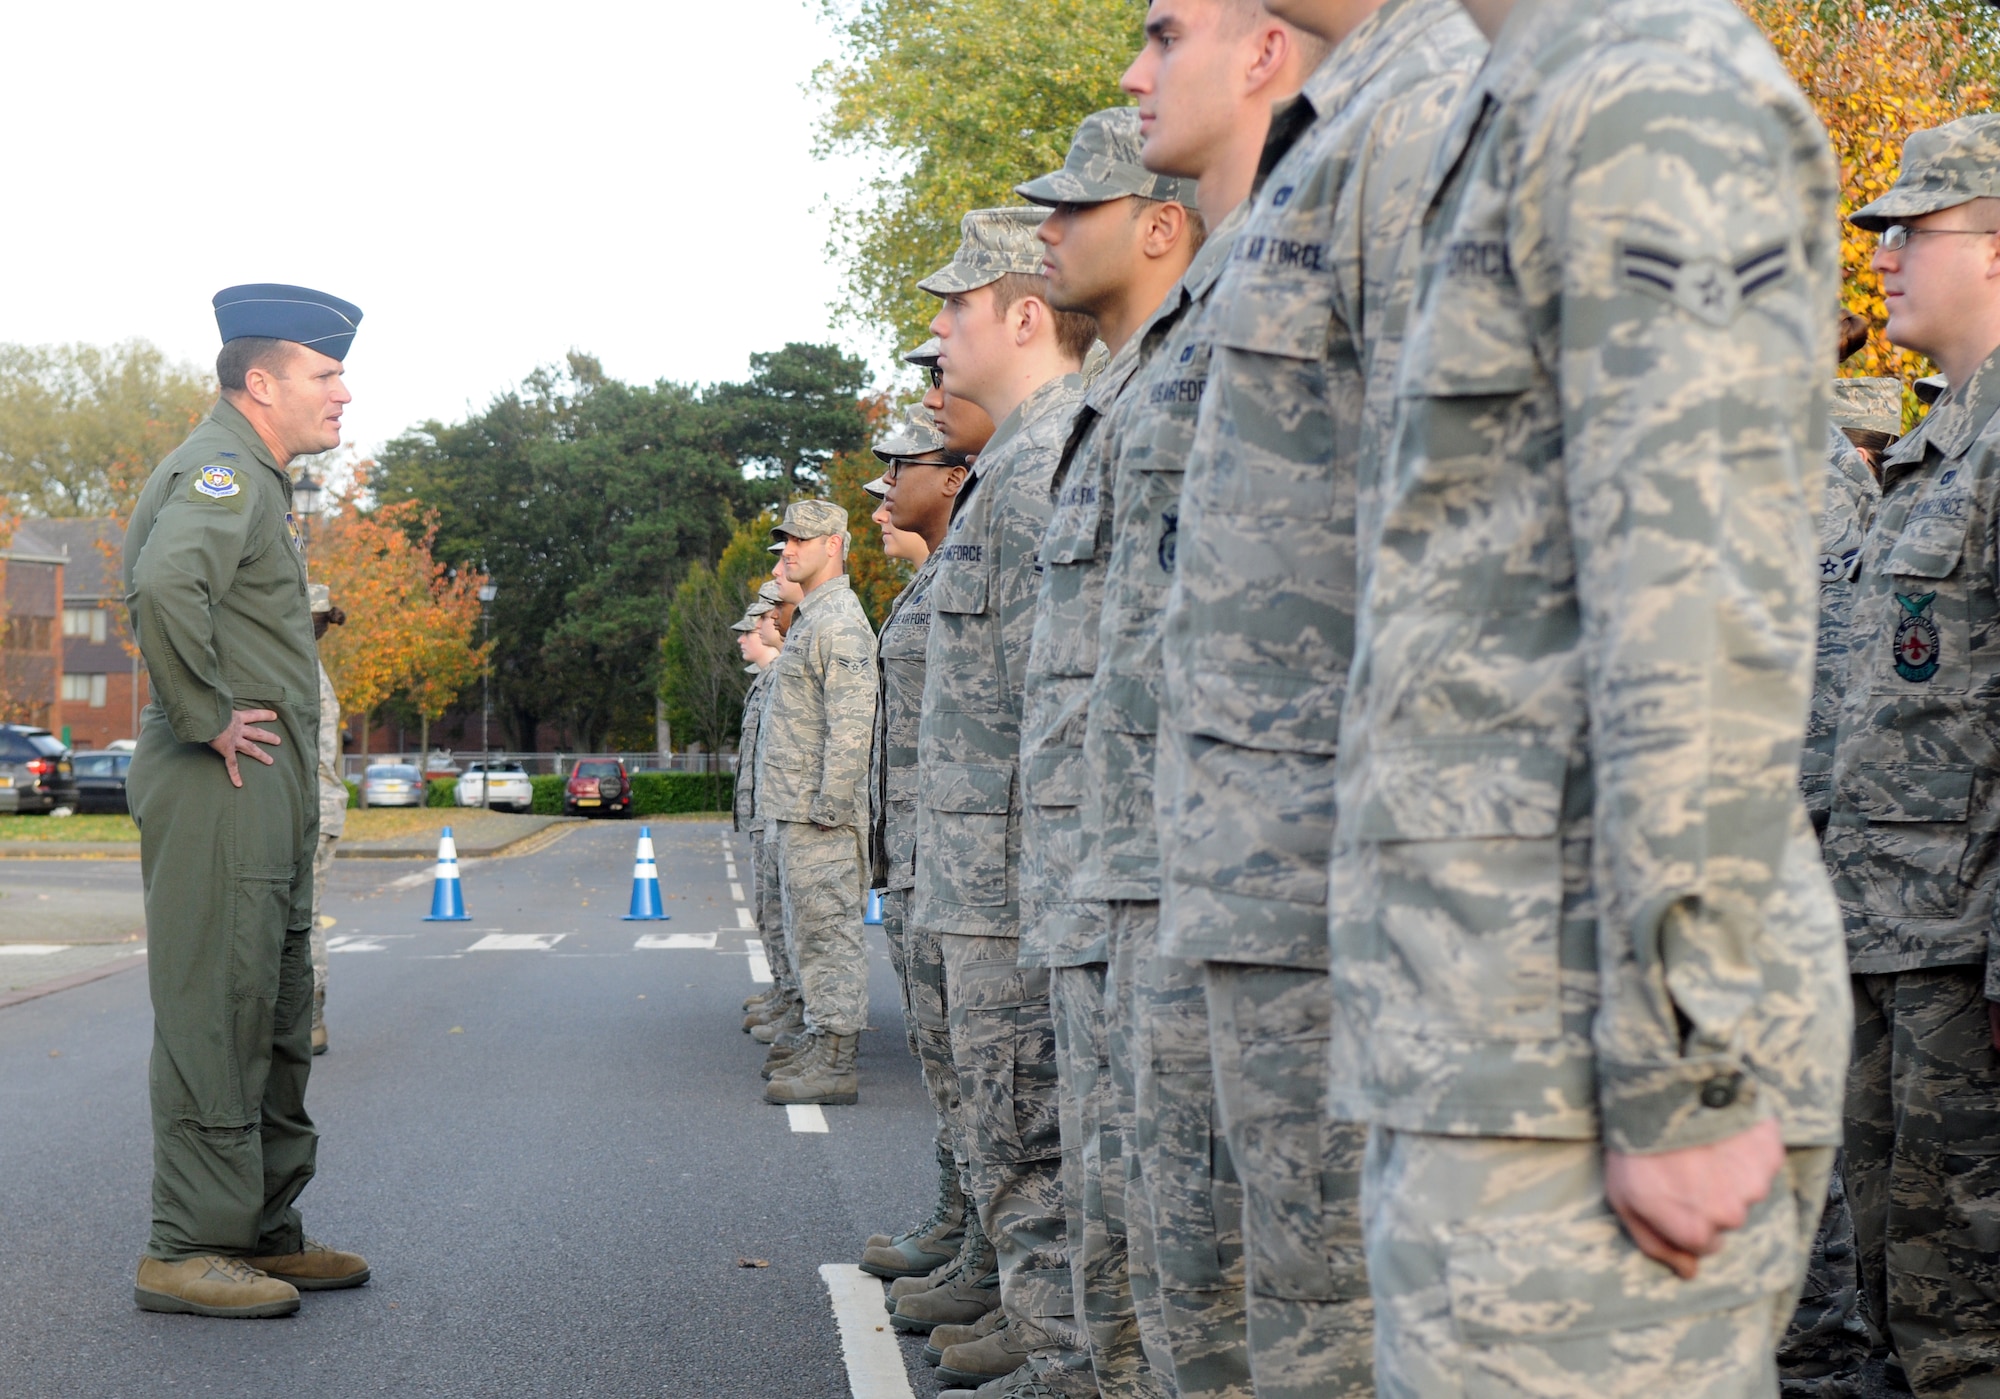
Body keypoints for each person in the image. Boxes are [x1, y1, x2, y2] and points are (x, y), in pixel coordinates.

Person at [1325, 0, 1845, 1392]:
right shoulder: (1540, 90)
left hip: (1583, 1060)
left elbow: (1703, 590)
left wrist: (1691, 1064)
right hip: (1503, 1039)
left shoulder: (1647, 90)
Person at [1134, 0, 1479, 1393]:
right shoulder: (1348, 133)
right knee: (1301, 1305)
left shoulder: (1432, 114)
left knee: (1350, 1320)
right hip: (1267, 861)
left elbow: (1459, 543)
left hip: (1354, 871)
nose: (1132, 67)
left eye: (1165, 33)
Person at [124, 283, 371, 1318]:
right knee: (213, 1013)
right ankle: (186, 1245)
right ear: (260, 382)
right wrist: (207, 714)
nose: (344, 393)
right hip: (218, 782)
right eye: (324, 375)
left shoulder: (258, 481)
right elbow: (166, 584)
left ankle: (264, 1227)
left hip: (255, 792)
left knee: (270, 1012)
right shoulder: (223, 471)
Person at [1007, 104, 1202, 1399]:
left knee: (1182, 1237)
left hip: (1172, 877)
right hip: (1101, 868)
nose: (1049, 229)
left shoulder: (1190, 381)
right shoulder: (1104, 407)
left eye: (1076, 206)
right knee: (1108, 1188)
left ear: (1159, 223)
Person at [905, 206, 1099, 1398]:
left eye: (953, 307)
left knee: (1032, 1123)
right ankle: (1043, 1330)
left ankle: (1065, 1349)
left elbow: (1055, 704)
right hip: (987, 871)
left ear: (1023, 315)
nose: (935, 331)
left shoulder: (1043, 462)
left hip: (1026, 875)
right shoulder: (1018, 462)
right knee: (1009, 1119)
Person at [1829, 113, 2000, 1397]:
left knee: (1970, 1331)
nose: (1878, 256)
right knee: (1905, 1317)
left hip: (1962, 968)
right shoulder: (1936, 447)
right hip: (1889, 944)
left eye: (1910, 228)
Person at [860, 405, 978, 1290]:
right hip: (920, 851)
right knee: (949, 1061)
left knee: (983, 1067)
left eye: (904, 465)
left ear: (952, 477)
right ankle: (966, 1224)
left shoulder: (972, 549)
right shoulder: (933, 575)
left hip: (959, 853)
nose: (885, 484)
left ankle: (990, 1251)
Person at [759, 499, 880, 1107]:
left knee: (830, 935)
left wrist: (829, 809)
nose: (789, 550)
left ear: (834, 544)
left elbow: (853, 724)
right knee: (811, 932)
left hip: (821, 817)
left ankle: (836, 1060)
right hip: (800, 811)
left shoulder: (839, 623)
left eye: (801, 540)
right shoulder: (812, 619)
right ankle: (820, 1037)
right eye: (786, 541)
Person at [736, 585, 785, 1032]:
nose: (742, 638)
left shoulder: (782, 676)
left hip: (778, 816)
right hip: (764, 817)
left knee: (783, 915)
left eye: (751, 627)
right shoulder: (768, 681)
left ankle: (795, 1000)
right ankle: (785, 991)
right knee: (770, 912)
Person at [308, 584, 348, 1057]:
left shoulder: (304, 674)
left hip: (313, 810)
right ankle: (308, 1019)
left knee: (303, 920)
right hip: (321, 808)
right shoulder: (310, 669)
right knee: (305, 918)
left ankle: (311, 1020)